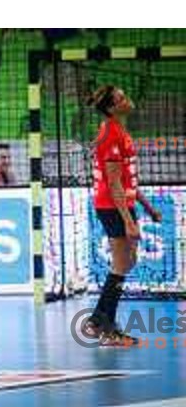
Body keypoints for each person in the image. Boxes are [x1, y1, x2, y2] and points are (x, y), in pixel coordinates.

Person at [81, 85, 161, 347]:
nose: (128, 100)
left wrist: (147, 206)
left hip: (123, 204)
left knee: (128, 261)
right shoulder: (110, 135)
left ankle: (97, 321)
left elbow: (127, 181)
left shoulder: (118, 131)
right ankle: (105, 327)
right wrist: (128, 221)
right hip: (112, 207)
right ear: (113, 107)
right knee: (121, 264)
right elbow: (114, 184)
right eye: (122, 98)